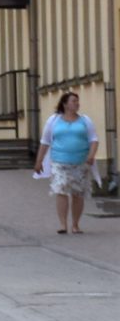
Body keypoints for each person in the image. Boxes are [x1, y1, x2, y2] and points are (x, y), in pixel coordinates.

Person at [34, 91, 97, 236]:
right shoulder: (54, 121)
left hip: (80, 162)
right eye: (73, 101)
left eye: (77, 101)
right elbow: (45, 142)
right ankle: (63, 224)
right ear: (65, 104)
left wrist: (91, 155)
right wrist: (39, 162)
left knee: (78, 193)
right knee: (61, 190)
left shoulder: (85, 120)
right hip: (59, 162)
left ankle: (75, 224)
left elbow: (94, 139)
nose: (76, 103)